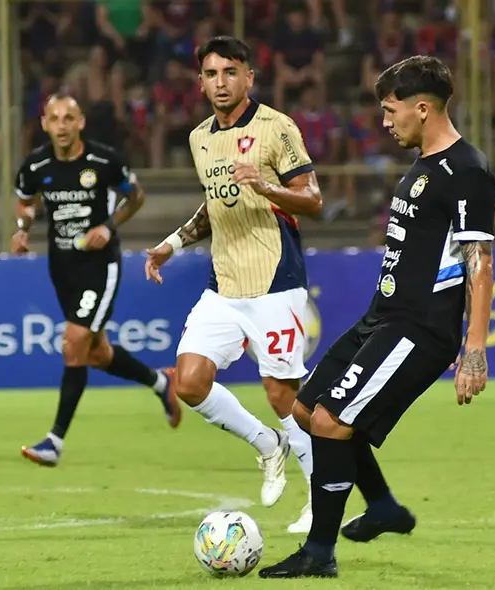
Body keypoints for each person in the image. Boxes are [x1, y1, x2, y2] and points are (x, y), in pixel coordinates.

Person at [258, 55, 495, 579]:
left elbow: (479, 260)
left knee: (331, 421)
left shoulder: (467, 171)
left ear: (422, 108)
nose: (385, 122)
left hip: (420, 328)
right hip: (384, 316)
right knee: (307, 410)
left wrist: (474, 347)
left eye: (391, 111)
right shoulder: (424, 166)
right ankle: (383, 505)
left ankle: (319, 553)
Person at [144, 36, 320, 534]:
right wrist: (172, 243)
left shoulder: (276, 127)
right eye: (211, 74)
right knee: (188, 382)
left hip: (275, 280)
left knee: (282, 394)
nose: (220, 82)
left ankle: (320, 499)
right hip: (223, 284)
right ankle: (268, 444)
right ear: (200, 82)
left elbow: (313, 198)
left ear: (248, 77)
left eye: (230, 72)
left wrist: (265, 186)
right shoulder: (199, 138)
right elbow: (214, 204)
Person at [12, 93, 180, 467]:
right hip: (62, 267)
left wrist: (107, 226)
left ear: (80, 122)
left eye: (68, 118)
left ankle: (54, 441)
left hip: (99, 266)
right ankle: (161, 383)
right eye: (55, 118)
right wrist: (23, 229)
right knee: (97, 353)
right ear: (44, 124)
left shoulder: (104, 161)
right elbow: (25, 201)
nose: (62, 126)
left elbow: (135, 197)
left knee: (74, 342)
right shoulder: (35, 165)